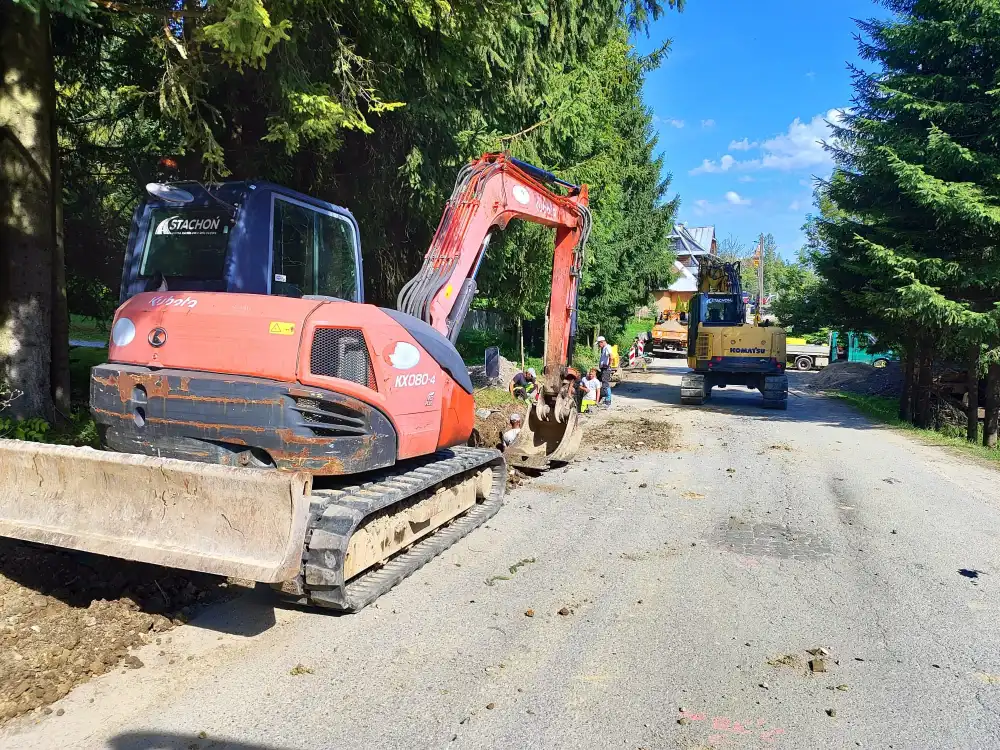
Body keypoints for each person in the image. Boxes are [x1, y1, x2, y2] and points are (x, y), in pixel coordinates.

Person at [597, 336, 612, 406]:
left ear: (602, 342)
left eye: (599, 344)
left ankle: (608, 400)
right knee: (601, 382)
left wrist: (609, 365)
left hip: (606, 368)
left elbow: (611, 356)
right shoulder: (604, 348)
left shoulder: (607, 347)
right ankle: (602, 397)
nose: (598, 345)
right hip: (603, 368)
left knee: (605, 384)